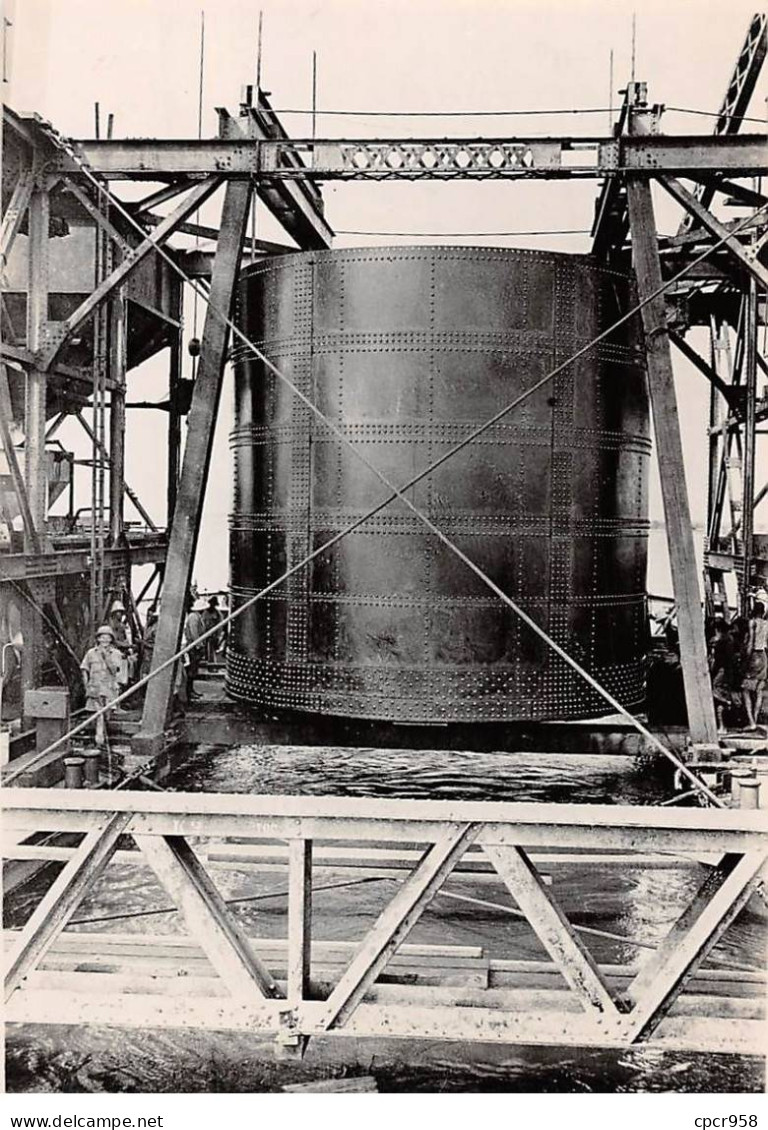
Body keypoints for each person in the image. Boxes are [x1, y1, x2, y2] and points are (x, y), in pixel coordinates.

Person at [80, 625, 126, 747]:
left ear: (111, 639)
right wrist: (86, 686)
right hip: (95, 688)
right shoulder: (90, 653)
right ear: (98, 639)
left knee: (106, 716)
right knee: (99, 715)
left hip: (109, 689)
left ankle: (101, 738)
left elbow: (114, 670)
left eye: (108, 638)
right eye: (102, 637)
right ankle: (99, 741)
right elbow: (84, 669)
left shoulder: (116, 653)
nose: (105, 640)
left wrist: (106, 657)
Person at [741, 601, 768, 731]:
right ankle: (755, 720)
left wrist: (745, 659)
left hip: (754, 656)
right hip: (763, 656)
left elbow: (751, 642)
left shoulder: (752, 622)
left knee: (745, 690)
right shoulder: (767, 624)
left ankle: (751, 722)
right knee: (758, 691)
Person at [709, 618, 736, 734]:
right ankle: (723, 725)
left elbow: (718, 661)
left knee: (718, 696)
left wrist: (711, 671)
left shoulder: (720, 643)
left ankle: (722, 726)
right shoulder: (730, 640)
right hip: (728, 672)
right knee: (722, 695)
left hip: (721, 672)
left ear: (717, 629)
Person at [183, 598, 206, 700]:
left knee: (194, 670)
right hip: (193, 647)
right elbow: (194, 633)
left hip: (195, 646)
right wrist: (198, 645)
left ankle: (191, 690)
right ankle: (189, 692)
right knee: (191, 670)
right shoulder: (193, 617)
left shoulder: (197, 616)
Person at [201, 596, 223, 662]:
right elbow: (202, 623)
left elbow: (220, 625)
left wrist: (218, 635)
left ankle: (212, 662)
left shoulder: (218, 614)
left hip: (214, 635)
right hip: (206, 634)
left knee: (212, 650)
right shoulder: (205, 613)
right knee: (206, 650)